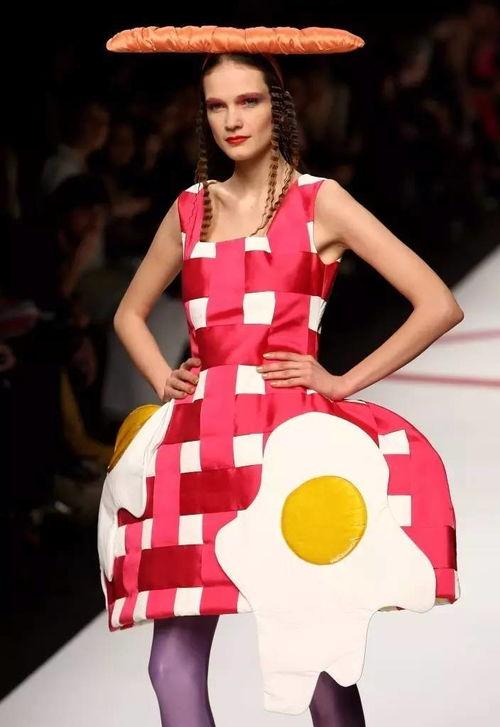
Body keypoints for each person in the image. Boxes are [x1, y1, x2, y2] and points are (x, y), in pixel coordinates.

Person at [97, 26, 463, 727]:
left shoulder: (319, 202)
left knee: (315, 656)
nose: (232, 120)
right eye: (216, 106)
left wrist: (340, 381)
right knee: (169, 663)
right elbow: (128, 314)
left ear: (278, 106)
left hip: (287, 444)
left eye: (249, 101)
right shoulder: (190, 209)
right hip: (197, 446)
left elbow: (437, 303)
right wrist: (165, 379)